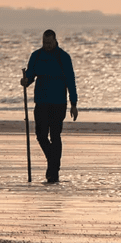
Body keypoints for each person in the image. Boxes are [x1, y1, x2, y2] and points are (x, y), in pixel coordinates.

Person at [20, 29, 78, 184]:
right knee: (40, 136)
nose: (47, 45)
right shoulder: (36, 56)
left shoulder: (63, 57)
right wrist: (25, 81)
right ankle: (53, 164)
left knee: (55, 135)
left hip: (58, 103)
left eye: (49, 43)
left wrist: (74, 104)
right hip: (41, 102)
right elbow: (31, 76)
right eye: (45, 43)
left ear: (55, 41)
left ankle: (53, 170)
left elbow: (70, 81)